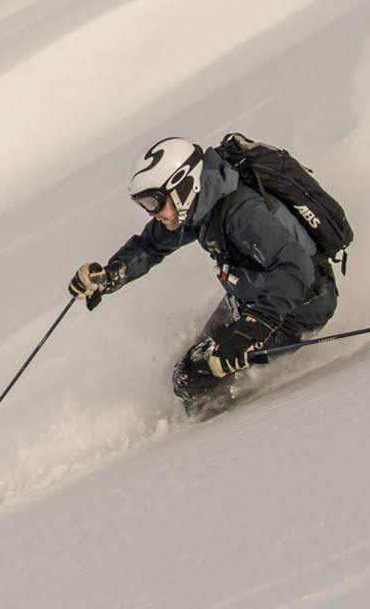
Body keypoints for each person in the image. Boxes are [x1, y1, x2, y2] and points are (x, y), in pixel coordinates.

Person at [68, 136, 340, 414]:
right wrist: (111, 275)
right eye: (145, 205)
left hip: (295, 307)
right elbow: (151, 245)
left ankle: (225, 435)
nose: (153, 213)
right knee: (186, 375)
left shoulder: (242, 213)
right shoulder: (200, 208)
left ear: (182, 184)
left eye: (153, 202)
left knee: (200, 383)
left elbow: (296, 268)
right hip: (253, 302)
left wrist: (251, 331)